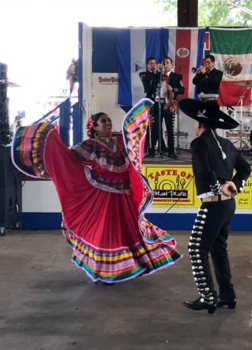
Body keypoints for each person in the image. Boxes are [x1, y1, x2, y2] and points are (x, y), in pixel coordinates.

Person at [11, 99, 182, 283]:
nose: (108, 123)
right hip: (104, 199)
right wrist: (50, 141)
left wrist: (144, 124)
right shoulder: (90, 145)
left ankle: (135, 265)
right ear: (94, 127)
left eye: (109, 120)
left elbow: (135, 147)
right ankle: (104, 271)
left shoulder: (120, 141)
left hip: (125, 198)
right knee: (106, 236)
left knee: (130, 233)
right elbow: (67, 158)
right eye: (103, 121)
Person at [179, 98, 252, 314]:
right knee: (218, 249)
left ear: (200, 124)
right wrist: (235, 185)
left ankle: (208, 296)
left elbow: (204, 171)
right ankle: (227, 295)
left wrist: (218, 186)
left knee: (195, 248)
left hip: (213, 204)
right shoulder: (227, 144)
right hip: (228, 205)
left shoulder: (199, 143)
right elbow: (246, 169)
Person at [146, 56, 185, 159]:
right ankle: (152, 151)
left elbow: (182, 89)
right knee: (155, 128)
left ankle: (171, 151)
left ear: (172, 65)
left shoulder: (177, 76)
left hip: (169, 104)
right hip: (157, 104)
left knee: (170, 129)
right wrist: (148, 104)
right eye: (164, 62)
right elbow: (150, 91)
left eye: (167, 62)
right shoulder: (156, 76)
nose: (165, 64)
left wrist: (173, 89)